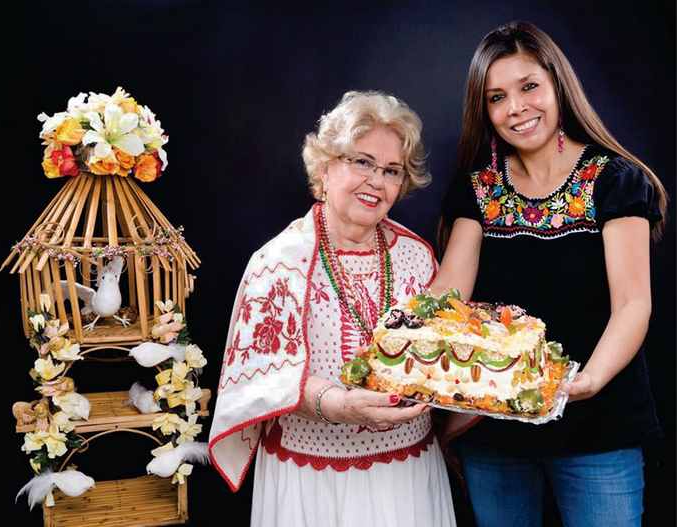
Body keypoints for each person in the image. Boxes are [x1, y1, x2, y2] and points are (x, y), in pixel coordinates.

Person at [431, 21, 668, 527]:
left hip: (597, 430)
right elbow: (448, 297)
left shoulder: (616, 181)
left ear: (558, 85)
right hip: (494, 429)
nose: (516, 108)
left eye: (529, 87)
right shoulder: (477, 190)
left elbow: (633, 304)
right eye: (497, 97)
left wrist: (588, 380)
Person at [209, 91, 457, 527]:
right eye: (362, 162)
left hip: (407, 473)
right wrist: (337, 404)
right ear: (325, 168)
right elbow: (261, 376)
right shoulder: (279, 261)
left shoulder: (417, 256)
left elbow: (437, 355)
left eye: (391, 171)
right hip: (311, 477)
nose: (376, 181)